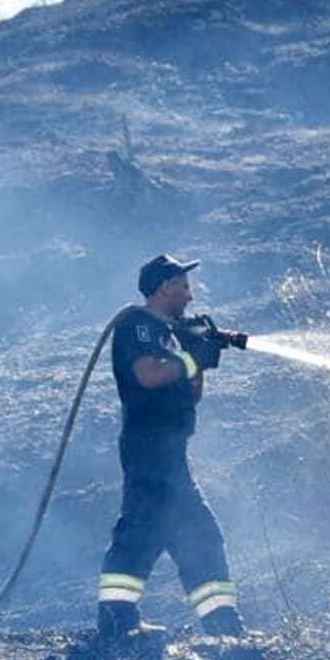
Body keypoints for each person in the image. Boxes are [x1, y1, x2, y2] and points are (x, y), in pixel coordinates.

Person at [96, 253, 246, 639]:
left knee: (187, 532)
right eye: (184, 286)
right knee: (148, 530)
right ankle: (119, 624)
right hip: (148, 449)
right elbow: (148, 375)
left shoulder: (170, 334)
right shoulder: (137, 325)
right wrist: (189, 358)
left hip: (171, 451)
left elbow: (190, 395)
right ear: (164, 287)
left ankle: (221, 627)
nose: (190, 296)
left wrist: (199, 358)